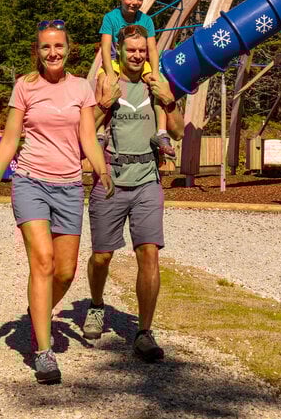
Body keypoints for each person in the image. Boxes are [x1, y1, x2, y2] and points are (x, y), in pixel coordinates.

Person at [0, 20, 112, 385]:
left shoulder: (81, 88)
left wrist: (102, 171)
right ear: (37, 51)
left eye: (58, 46)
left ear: (69, 49)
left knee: (65, 272)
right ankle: (43, 351)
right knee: (43, 261)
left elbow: (88, 136)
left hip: (70, 186)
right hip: (30, 182)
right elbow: (9, 141)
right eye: (45, 47)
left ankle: (37, 309)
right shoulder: (25, 86)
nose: (52, 52)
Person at [84, 24, 183, 362]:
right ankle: (96, 305)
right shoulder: (108, 82)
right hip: (110, 180)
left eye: (142, 50)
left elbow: (179, 131)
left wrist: (169, 103)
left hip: (147, 180)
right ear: (120, 53)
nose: (137, 55)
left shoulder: (157, 84)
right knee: (102, 256)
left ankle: (144, 331)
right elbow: (85, 128)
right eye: (131, 50)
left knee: (149, 254)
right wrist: (104, 103)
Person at [97, 0, 175, 163]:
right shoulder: (111, 18)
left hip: (141, 62)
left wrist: (155, 73)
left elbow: (152, 50)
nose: (135, 2)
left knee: (160, 85)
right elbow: (105, 49)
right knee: (103, 82)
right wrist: (109, 72)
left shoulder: (145, 20)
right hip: (116, 61)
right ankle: (100, 133)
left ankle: (162, 132)